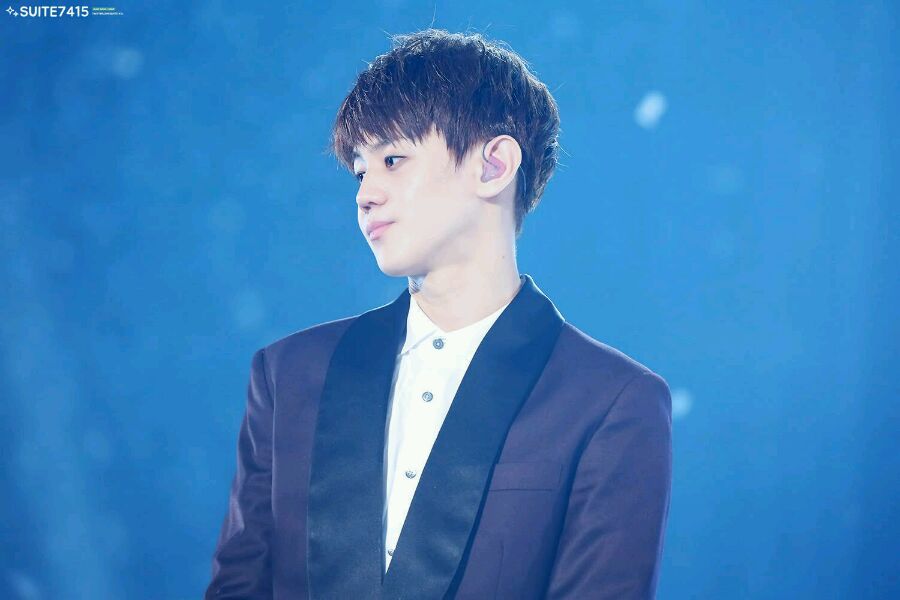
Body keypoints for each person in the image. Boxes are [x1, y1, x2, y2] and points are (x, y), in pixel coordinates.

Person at [206, 28, 672, 600]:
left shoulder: (610, 400)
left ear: (494, 165)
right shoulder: (290, 373)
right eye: (360, 170)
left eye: (393, 159)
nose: (365, 194)